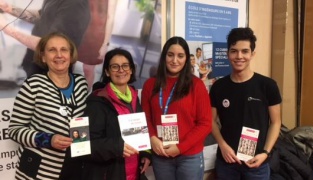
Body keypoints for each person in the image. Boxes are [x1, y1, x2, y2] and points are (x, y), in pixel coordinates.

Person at [8, 32, 88, 179]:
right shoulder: (33, 85)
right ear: (43, 57)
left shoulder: (81, 84)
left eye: (64, 50)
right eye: (52, 50)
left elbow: (81, 123)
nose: (59, 55)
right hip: (40, 171)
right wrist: (48, 139)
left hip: (74, 166)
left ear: (71, 55)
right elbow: (14, 130)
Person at [209, 27, 282, 180]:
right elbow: (211, 121)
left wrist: (266, 153)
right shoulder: (218, 87)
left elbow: (276, 122)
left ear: (252, 54)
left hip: (257, 164)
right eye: (234, 51)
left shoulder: (267, 85)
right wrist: (222, 145)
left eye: (244, 51)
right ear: (228, 53)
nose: (239, 56)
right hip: (227, 163)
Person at [141, 36, 212, 180]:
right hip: (161, 155)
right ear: (164, 57)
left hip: (189, 157)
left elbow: (205, 124)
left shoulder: (196, 85)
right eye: (170, 55)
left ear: (186, 59)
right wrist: (152, 137)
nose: (175, 60)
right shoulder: (150, 85)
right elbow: (145, 118)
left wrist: (180, 148)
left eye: (180, 56)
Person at [80, 48, 151, 180]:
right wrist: (116, 147)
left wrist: (145, 154)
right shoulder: (96, 102)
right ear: (107, 71)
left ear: (131, 70)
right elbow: (81, 146)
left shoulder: (134, 97)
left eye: (125, 65)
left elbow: (140, 132)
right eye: (115, 67)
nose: (121, 70)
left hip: (134, 173)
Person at [0, 0, 90, 77]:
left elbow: (51, 45)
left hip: (51, 75)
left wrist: (8, 29)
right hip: (36, 68)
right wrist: (10, 9)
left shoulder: (75, 4)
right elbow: (43, 16)